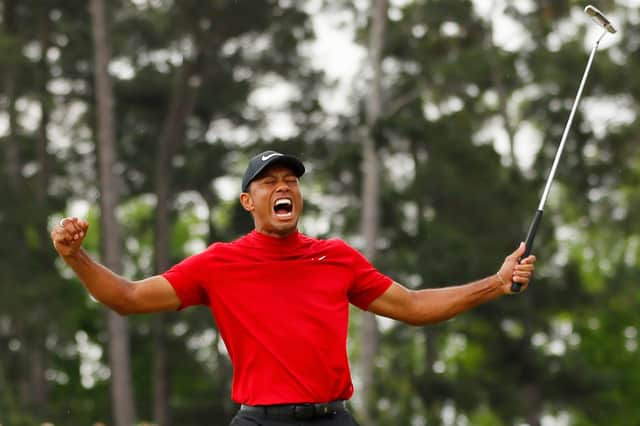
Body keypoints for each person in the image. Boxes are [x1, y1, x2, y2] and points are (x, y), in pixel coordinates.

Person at [51, 150, 536, 426]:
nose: (283, 187)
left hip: (334, 420)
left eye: (290, 181)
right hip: (262, 423)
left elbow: (412, 306)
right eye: (268, 182)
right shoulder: (220, 264)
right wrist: (76, 257)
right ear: (248, 201)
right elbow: (127, 298)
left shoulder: (336, 257)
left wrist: (496, 283)